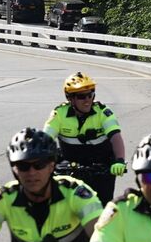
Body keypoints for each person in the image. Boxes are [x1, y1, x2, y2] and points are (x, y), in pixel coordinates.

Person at [44, 72, 126, 204]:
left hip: (101, 168)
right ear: (70, 98)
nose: (87, 100)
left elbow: (115, 137)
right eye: (82, 96)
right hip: (70, 168)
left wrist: (120, 161)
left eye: (90, 94)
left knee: (103, 208)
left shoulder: (103, 113)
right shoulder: (59, 114)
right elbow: (45, 140)